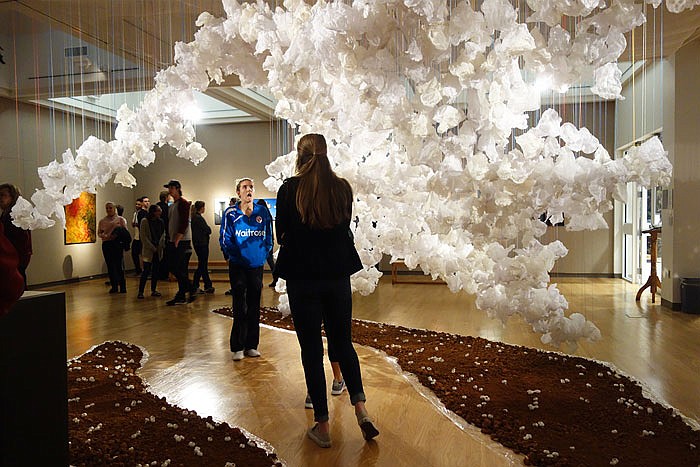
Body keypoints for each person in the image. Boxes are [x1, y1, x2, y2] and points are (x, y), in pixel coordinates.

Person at [275, 133, 378, 447]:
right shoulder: (342, 188)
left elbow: (282, 235)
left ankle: (322, 425)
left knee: (310, 350)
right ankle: (360, 407)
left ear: (300, 155)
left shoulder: (289, 189)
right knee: (342, 343)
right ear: (326, 154)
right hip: (336, 276)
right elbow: (343, 225)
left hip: (302, 278)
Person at [220, 178, 273, 361]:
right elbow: (225, 238)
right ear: (238, 192)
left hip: (256, 266)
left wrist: (262, 254)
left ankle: (252, 345)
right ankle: (237, 346)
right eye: (245, 187)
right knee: (239, 305)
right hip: (238, 266)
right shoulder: (230, 214)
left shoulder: (263, 212)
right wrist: (237, 255)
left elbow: (268, 237)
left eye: (251, 187)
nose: (249, 190)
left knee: (254, 305)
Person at [163, 180, 196, 306]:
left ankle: (188, 288)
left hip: (181, 241)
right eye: (169, 188)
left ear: (177, 188)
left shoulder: (183, 203)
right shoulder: (173, 205)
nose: (170, 190)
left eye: (171, 188)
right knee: (176, 268)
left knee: (176, 267)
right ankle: (184, 292)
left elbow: (184, 222)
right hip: (175, 239)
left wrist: (177, 238)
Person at [0, 183, 32, 289]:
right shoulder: (6, 214)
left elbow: (23, 239)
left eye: (3, 195)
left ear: (12, 197)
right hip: (11, 257)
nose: (0, 199)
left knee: (18, 285)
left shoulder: (17, 214)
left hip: (17, 257)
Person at [98, 202, 128, 293]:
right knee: (110, 266)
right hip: (107, 244)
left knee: (119, 266)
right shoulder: (102, 221)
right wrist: (105, 236)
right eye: (107, 208)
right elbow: (99, 233)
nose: (108, 210)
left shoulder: (120, 219)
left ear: (114, 208)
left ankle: (122, 287)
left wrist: (116, 236)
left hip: (117, 244)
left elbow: (125, 232)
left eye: (110, 208)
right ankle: (114, 286)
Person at [137, 204, 165, 299]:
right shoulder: (145, 221)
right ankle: (141, 291)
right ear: (153, 212)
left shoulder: (160, 221)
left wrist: (160, 246)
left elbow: (163, 234)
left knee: (155, 271)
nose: (160, 212)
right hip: (149, 250)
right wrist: (152, 247)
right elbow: (143, 236)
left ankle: (153, 289)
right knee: (146, 271)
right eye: (158, 210)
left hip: (158, 249)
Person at [191, 200, 214, 294]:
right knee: (202, 265)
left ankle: (207, 285)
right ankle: (195, 285)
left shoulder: (194, 218)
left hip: (198, 244)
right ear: (201, 208)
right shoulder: (199, 218)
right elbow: (208, 230)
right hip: (202, 244)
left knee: (203, 265)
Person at [256, 198, 279, 288]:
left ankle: (259, 282)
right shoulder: (268, 215)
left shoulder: (261, 216)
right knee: (269, 262)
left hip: (262, 242)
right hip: (268, 241)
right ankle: (275, 279)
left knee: (262, 262)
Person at [156, 190, 172, 280]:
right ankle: (163, 274)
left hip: (156, 235)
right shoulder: (166, 208)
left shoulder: (156, 207)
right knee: (165, 255)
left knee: (158, 256)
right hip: (165, 233)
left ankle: (158, 273)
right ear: (166, 198)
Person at [130, 198, 144, 275]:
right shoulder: (135, 214)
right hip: (136, 236)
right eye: (136, 204)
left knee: (142, 254)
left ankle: (143, 270)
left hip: (141, 237)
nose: (137, 206)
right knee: (134, 253)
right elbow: (133, 224)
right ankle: (138, 269)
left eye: (139, 204)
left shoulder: (142, 213)